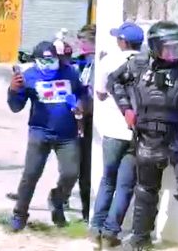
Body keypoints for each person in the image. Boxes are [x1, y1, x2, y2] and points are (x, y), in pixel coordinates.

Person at [109, 21, 178, 251]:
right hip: (149, 138)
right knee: (145, 190)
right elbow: (114, 82)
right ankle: (140, 239)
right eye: (168, 48)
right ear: (154, 46)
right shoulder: (138, 65)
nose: (173, 53)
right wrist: (127, 110)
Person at [8, 41, 85, 231]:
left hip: (67, 134)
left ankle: (57, 201)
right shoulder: (29, 76)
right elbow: (15, 107)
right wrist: (13, 90)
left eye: (53, 60)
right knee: (31, 174)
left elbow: (82, 93)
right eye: (44, 61)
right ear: (36, 61)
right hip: (39, 132)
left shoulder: (70, 73)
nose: (49, 65)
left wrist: (82, 103)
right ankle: (20, 214)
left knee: (71, 173)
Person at [88, 22, 144, 248]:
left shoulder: (109, 61)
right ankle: (111, 232)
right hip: (135, 133)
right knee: (125, 185)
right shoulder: (147, 64)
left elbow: (100, 95)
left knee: (107, 180)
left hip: (112, 131)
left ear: (122, 41)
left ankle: (95, 227)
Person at [75, 24, 96, 222]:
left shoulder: (97, 63)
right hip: (81, 119)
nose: (79, 44)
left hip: (90, 121)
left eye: (82, 41)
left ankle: (87, 212)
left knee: (86, 168)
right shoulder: (85, 63)